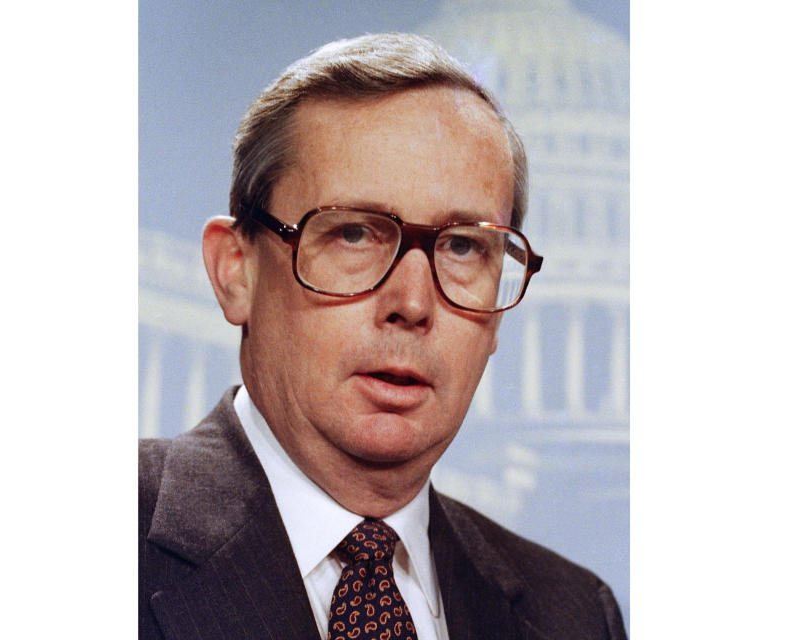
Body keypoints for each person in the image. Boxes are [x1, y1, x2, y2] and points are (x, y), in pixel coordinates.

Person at [139, 33, 627, 640]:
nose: (414, 304)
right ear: (236, 271)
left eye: (462, 246)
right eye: (354, 235)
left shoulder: (575, 615)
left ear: (498, 312)